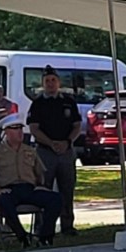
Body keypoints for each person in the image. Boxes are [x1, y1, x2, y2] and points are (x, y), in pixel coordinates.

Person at [0, 115, 62, 247]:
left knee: (55, 199)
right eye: (15, 129)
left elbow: (40, 172)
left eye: (20, 129)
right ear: (6, 132)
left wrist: (40, 185)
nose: (19, 132)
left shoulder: (30, 151)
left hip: (29, 189)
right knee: (4, 202)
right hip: (9, 189)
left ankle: (45, 236)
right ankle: (22, 237)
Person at [26, 65, 81, 237]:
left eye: (53, 80)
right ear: (43, 83)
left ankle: (67, 225)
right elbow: (34, 128)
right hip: (45, 152)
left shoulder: (68, 101)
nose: (50, 83)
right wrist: (51, 143)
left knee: (67, 187)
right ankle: (42, 226)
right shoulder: (37, 103)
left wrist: (67, 142)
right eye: (47, 81)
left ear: (59, 82)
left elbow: (77, 126)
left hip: (66, 151)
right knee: (43, 188)